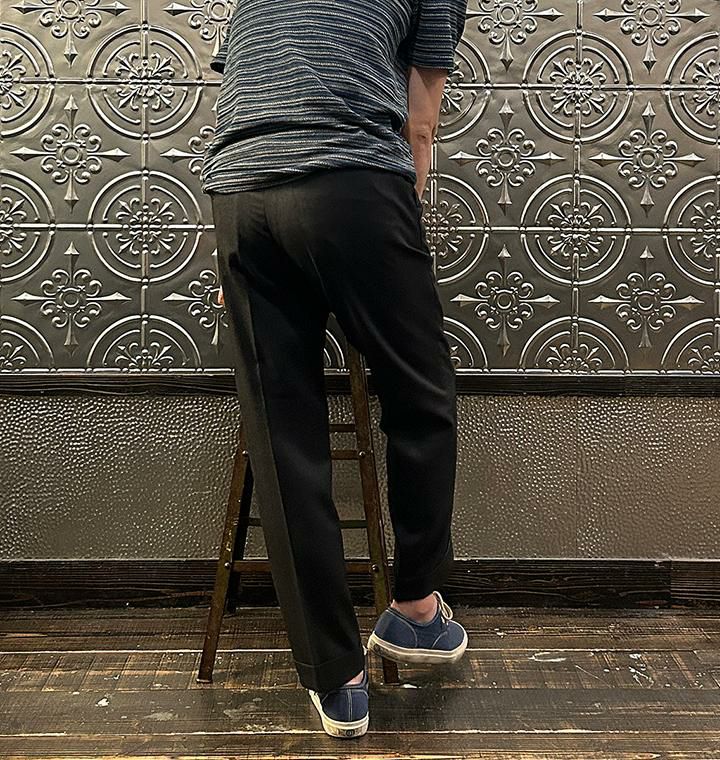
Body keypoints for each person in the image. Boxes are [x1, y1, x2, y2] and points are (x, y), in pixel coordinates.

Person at [200, 0, 469, 740]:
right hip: (349, 181)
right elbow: (420, 121)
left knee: (281, 433)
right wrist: (396, 223)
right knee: (421, 391)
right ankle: (416, 610)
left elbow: (246, 91)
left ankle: (336, 680)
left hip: (239, 197)